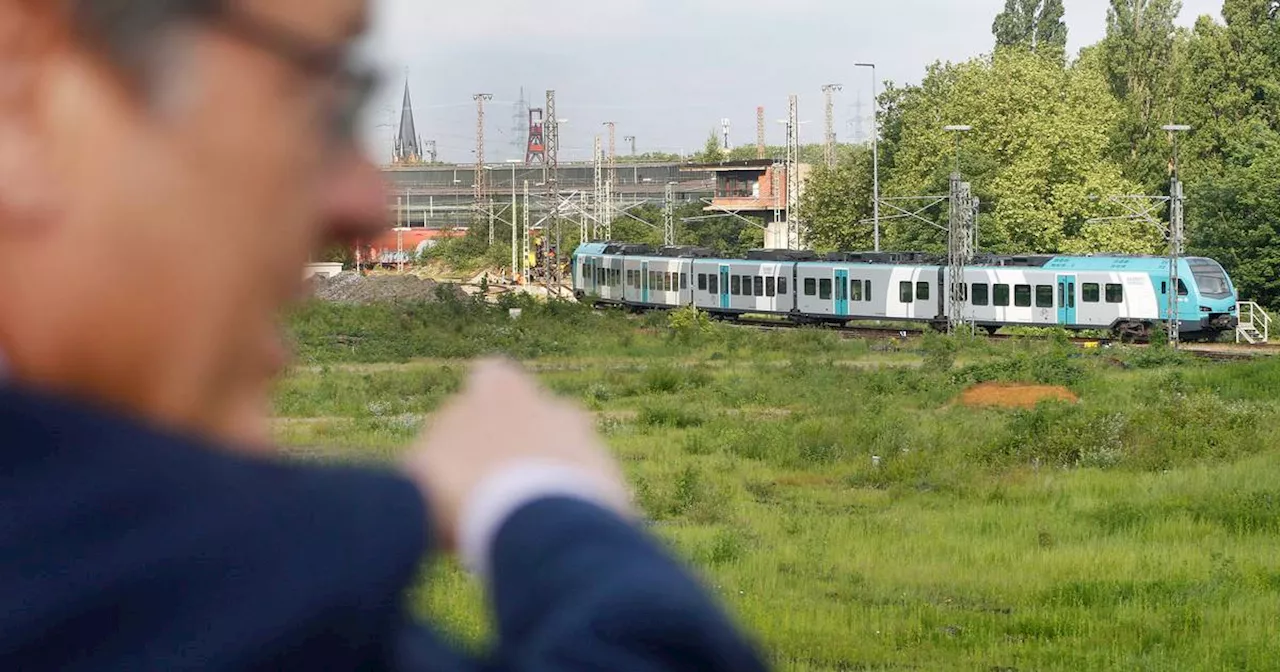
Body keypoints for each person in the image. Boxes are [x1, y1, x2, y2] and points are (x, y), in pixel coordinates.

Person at [0, 1, 769, 670]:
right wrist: (544, 504)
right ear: (25, 86)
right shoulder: (192, 598)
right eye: (314, 91)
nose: (366, 201)